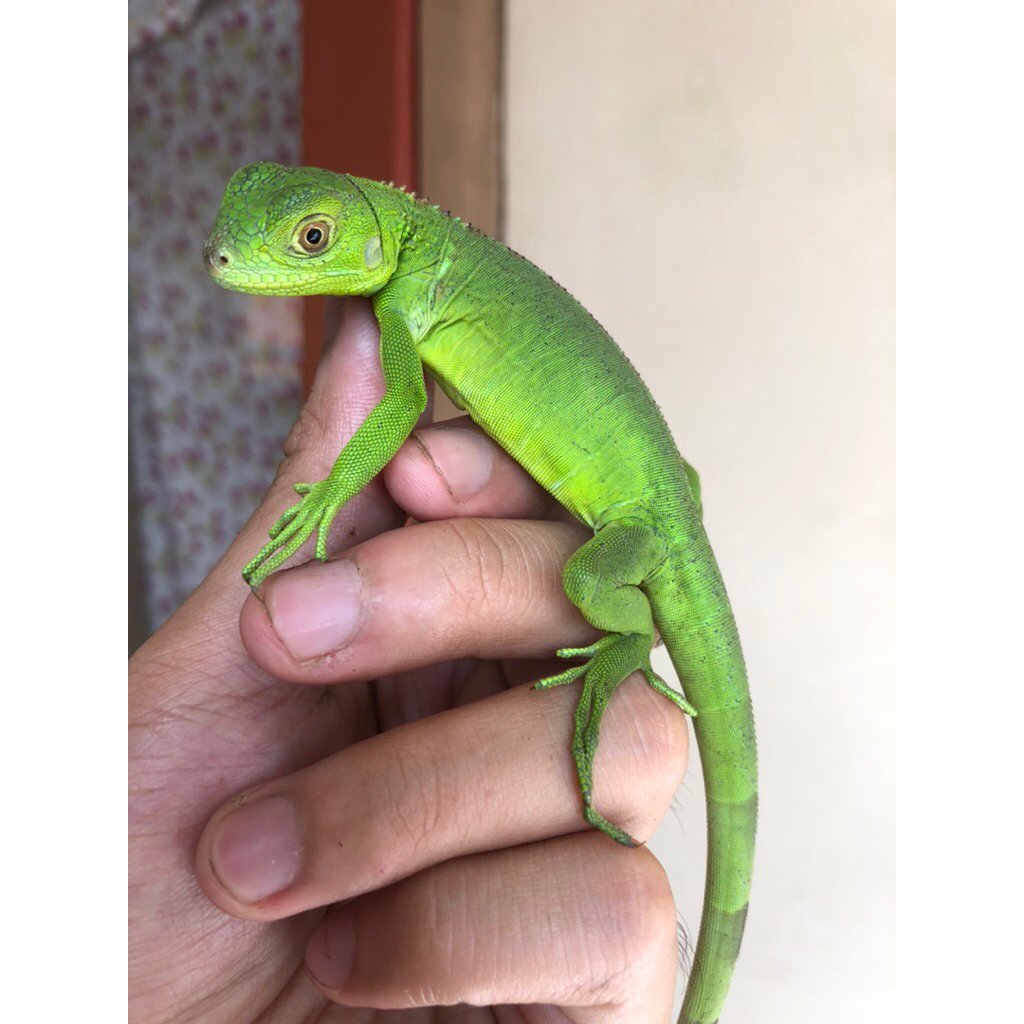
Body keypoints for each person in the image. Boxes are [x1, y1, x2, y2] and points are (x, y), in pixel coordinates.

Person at [129, 298, 688, 1022]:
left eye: (312, 241)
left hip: (648, 531)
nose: (232, 271)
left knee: (581, 581)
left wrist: (334, 488)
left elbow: (403, 402)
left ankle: (631, 633)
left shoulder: (405, 296)